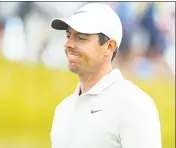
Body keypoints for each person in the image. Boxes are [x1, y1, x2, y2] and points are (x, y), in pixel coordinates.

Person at [50, 3, 162, 148]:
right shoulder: (63, 109)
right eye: (68, 35)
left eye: (81, 38)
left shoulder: (134, 104)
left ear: (109, 47)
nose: (68, 43)